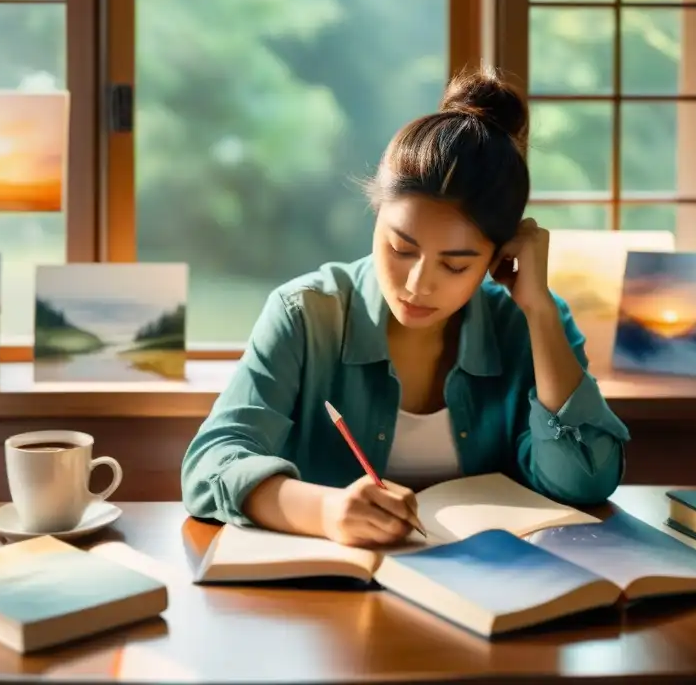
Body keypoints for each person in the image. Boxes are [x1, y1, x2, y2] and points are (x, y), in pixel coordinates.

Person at [180, 67, 631, 548]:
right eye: (401, 249)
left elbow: (585, 481)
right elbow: (212, 463)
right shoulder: (305, 314)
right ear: (376, 216)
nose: (418, 285)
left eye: (455, 266)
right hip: (326, 596)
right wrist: (327, 512)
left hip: (488, 591)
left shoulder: (530, 323)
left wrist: (538, 310)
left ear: (499, 257)